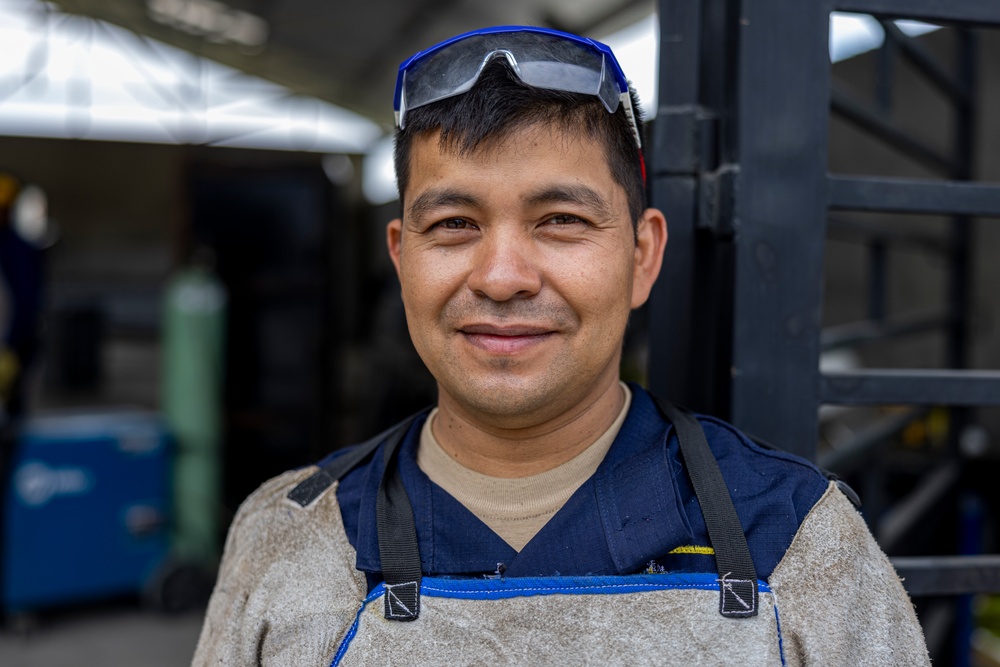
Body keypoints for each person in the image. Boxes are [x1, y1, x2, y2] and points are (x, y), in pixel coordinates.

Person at [192, 26, 929, 666]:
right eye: (453, 223)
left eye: (560, 220)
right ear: (401, 255)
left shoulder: (798, 543)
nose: (503, 276)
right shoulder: (290, 534)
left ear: (642, 255)